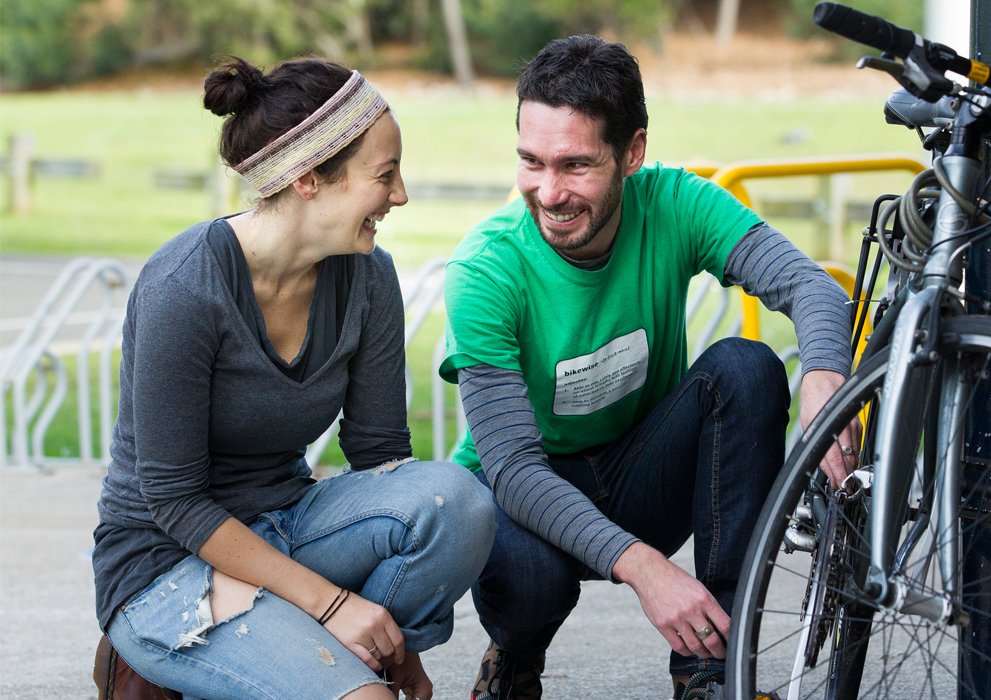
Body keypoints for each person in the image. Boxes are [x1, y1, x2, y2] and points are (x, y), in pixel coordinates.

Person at [439, 35, 858, 700]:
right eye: (532, 163)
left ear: (632, 152)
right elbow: (513, 471)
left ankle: (710, 667)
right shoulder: (484, 270)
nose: (549, 192)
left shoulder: (675, 203)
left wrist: (824, 377)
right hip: (526, 493)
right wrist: (645, 569)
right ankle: (513, 658)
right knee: (534, 581)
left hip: (639, 472)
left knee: (746, 367)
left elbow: (811, 287)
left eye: (576, 166)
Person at [91, 56, 496, 700]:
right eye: (384, 175)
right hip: (168, 567)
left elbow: (382, 457)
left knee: (457, 501)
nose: (400, 195)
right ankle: (154, 659)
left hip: (286, 525)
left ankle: (314, 661)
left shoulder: (367, 276)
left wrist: (399, 654)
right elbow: (173, 499)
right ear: (310, 179)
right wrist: (334, 607)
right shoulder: (185, 287)